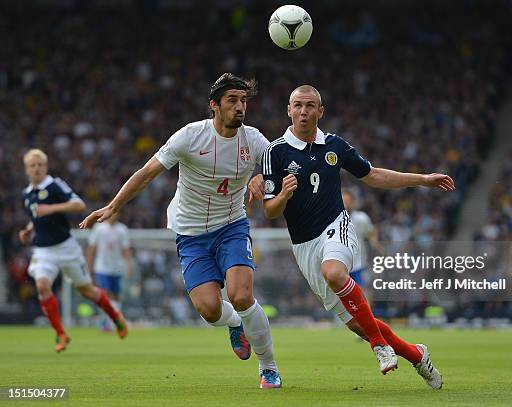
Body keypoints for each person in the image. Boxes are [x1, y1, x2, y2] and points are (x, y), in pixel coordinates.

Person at [79, 73, 281, 389]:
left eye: (243, 101)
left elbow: (277, 172)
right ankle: (234, 323)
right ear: (214, 105)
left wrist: (263, 181)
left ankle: (268, 367)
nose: (240, 107)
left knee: (241, 295)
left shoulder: (255, 141)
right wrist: (114, 206)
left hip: (232, 225)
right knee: (210, 310)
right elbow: (146, 173)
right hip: (191, 234)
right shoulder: (189, 137)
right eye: (232, 100)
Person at [261, 85, 454, 389]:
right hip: (304, 246)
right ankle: (416, 355)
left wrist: (422, 180)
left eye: (310, 106)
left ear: (320, 111)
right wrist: (283, 195)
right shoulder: (275, 151)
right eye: (297, 105)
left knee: (334, 272)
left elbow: (373, 174)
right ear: (288, 110)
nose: (303, 111)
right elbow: (270, 211)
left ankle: (379, 346)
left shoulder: (335, 146)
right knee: (359, 326)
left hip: (337, 227)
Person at [18, 149, 127, 353]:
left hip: (66, 247)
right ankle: (60, 333)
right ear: (26, 169)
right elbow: (36, 216)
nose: (36, 168)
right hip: (43, 250)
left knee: (86, 290)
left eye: (40, 164)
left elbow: (79, 204)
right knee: (42, 286)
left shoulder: (54, 185)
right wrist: (28, 229)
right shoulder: (26, 194)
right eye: (32, 165)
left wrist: (50, 208)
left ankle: (115, 316)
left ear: (45, 166)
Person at [85, 212, 133, 332]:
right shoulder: (99, 228)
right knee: (105, 295)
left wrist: (129, 264)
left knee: (115, 296)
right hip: (102, 268)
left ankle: (115, 321)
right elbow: (92, 248)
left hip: (117, 268)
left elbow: (126, 249)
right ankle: (106, 323)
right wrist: (89, 266)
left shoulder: (122, 229)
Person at [341, 189, 383, 288]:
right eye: (343, 201)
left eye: (348, 201)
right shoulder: (333, 219)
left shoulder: (362, 218)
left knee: (363, 292)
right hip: (340, 266)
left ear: (353, 202)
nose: (346, 204)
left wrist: (376, 246)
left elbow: (371, 233)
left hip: (358, 265)